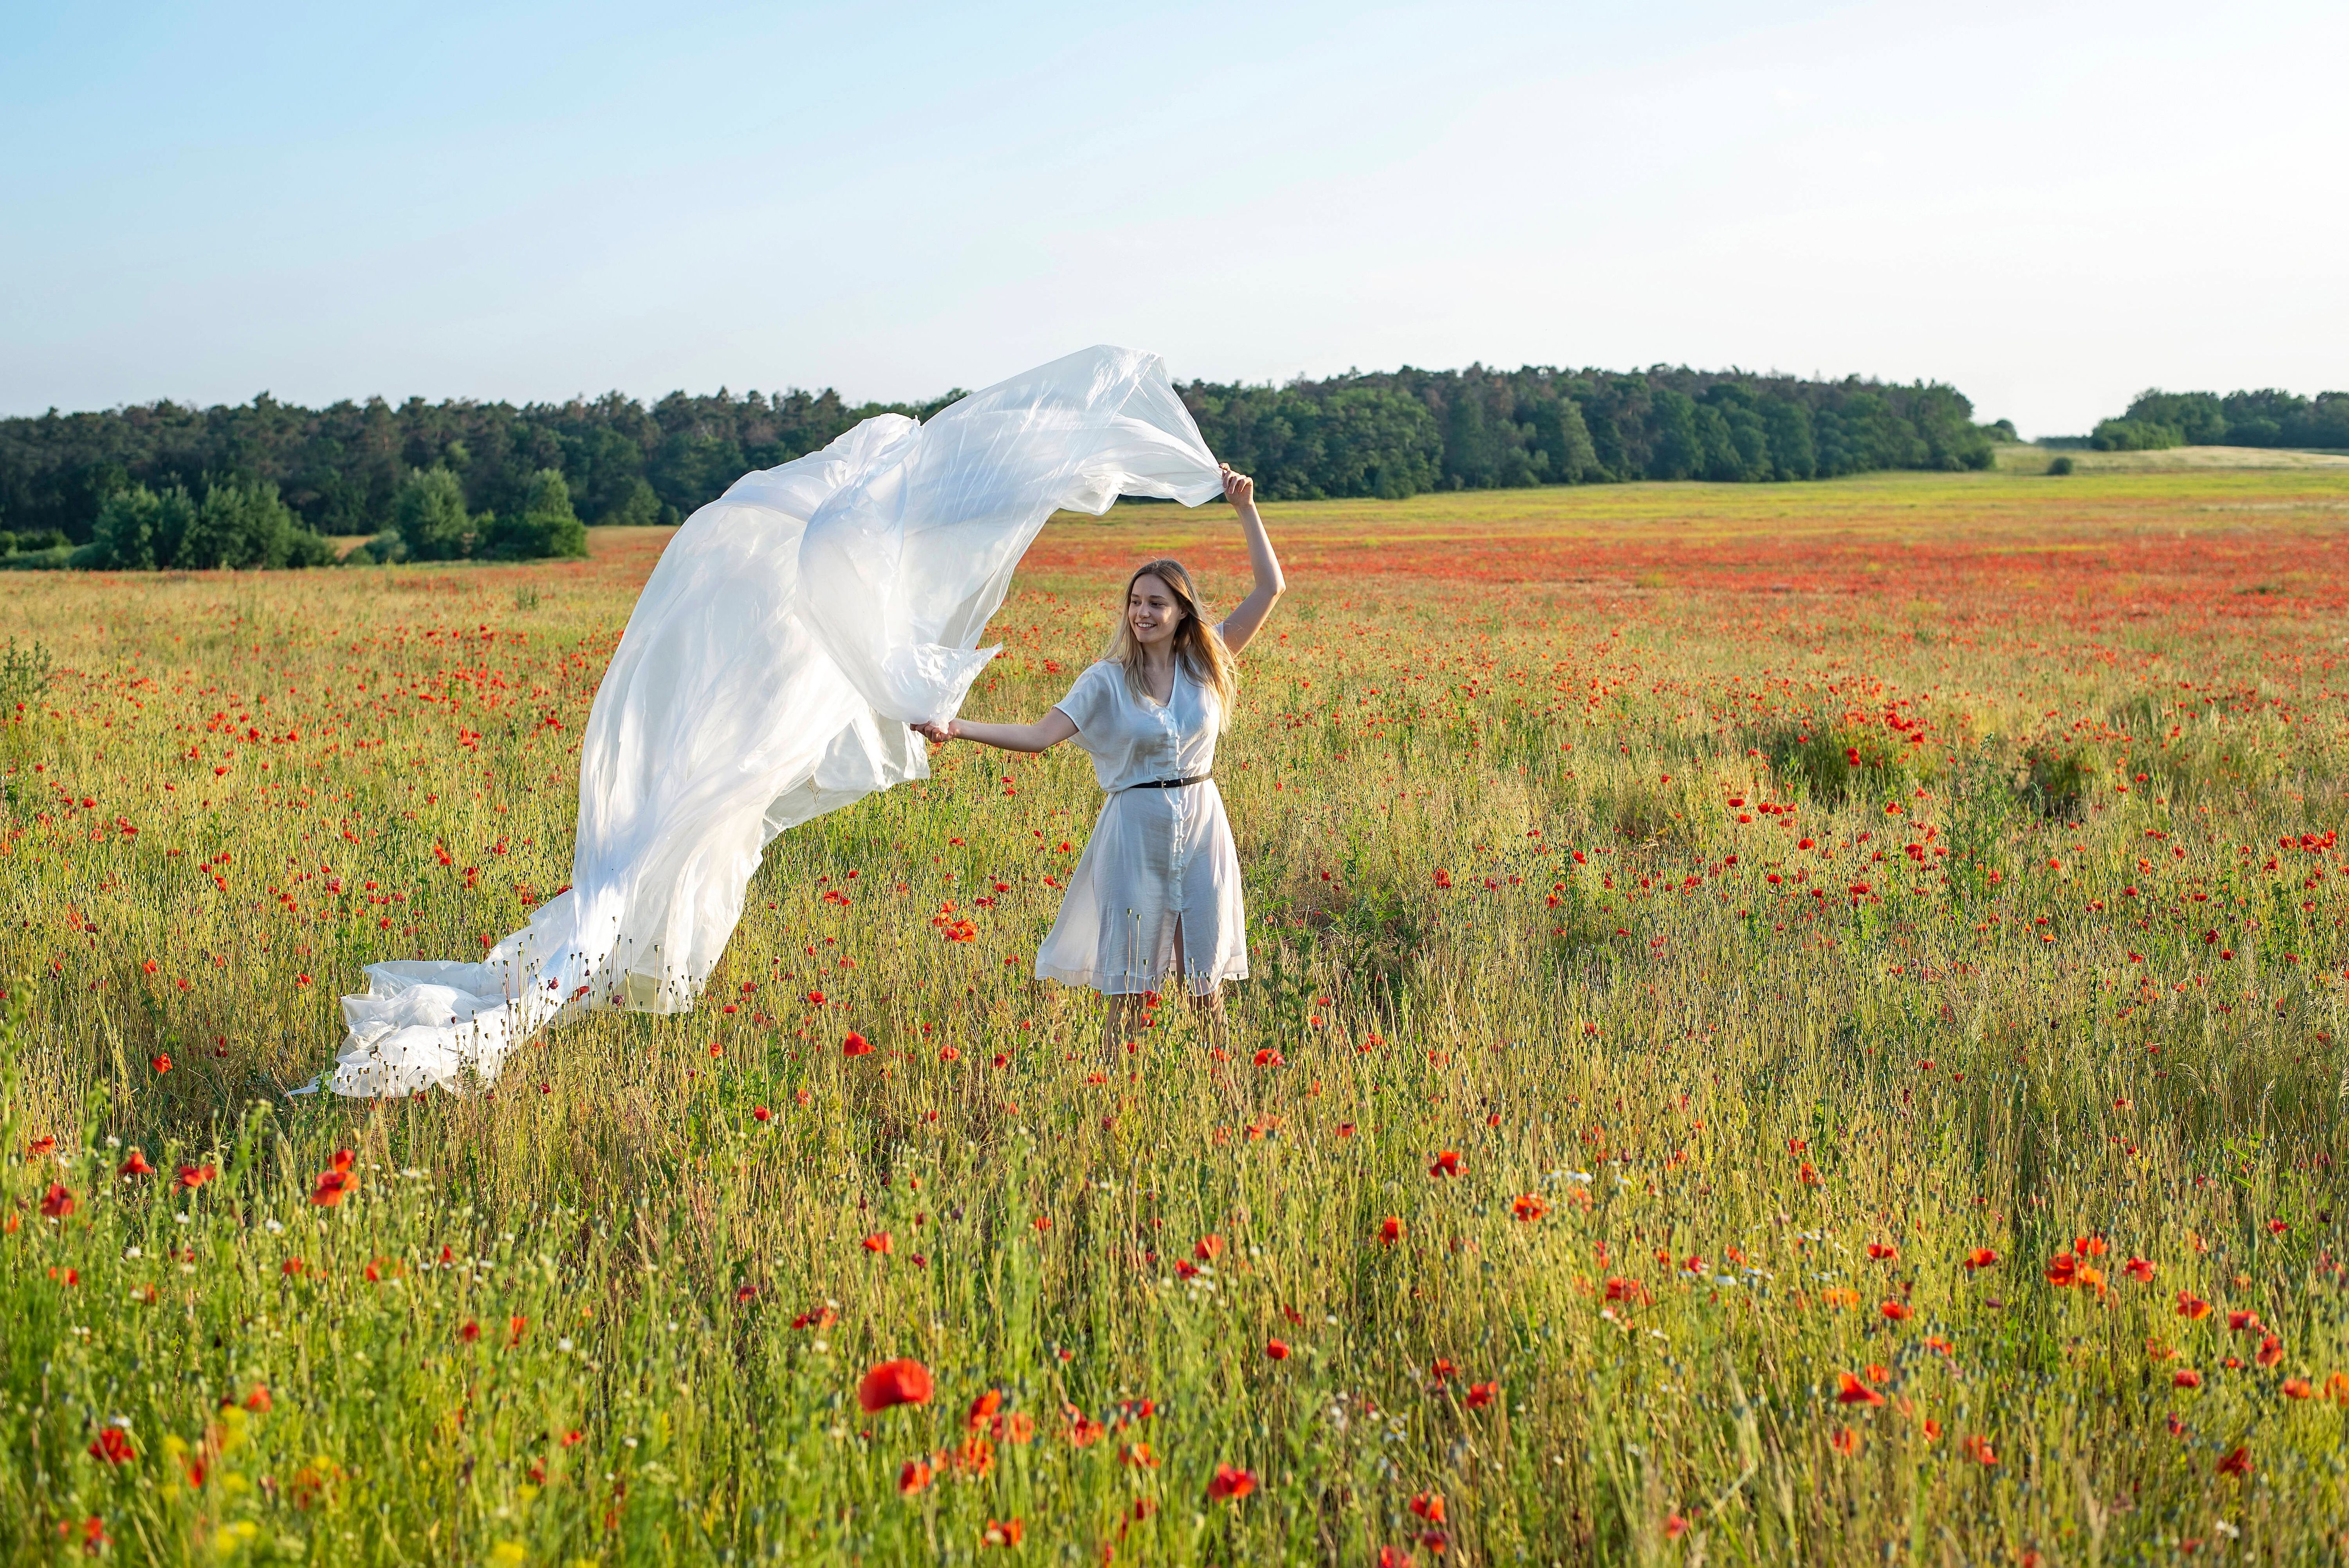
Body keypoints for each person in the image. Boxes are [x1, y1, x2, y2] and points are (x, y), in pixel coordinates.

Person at [913, 464, 1284, 1055]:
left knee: (1205, 982)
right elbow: (1039, 736)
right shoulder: (1105, 681)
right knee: (1130, 988)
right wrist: (957, 727)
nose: (1142, 613)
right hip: (1134, 833)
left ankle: (1225, 1085)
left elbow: (1270, 589)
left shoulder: (1206, 663)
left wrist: (1246, 509)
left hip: (1203, 825)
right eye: (1135, 602)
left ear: (1182, 612)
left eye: (1156, 603)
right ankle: (1116, 1085)